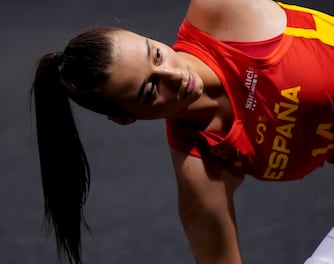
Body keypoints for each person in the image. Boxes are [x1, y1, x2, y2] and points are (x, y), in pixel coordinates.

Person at [31, 0, 334, 263]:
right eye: (151, 89)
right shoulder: (201, 169)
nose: (176, 76)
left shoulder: (220, 11)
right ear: (126, 118)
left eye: (157, 55)